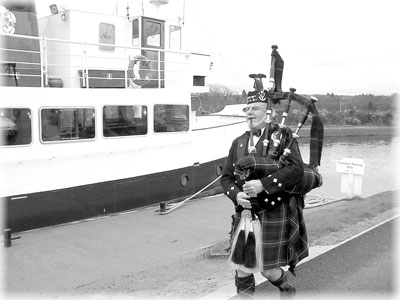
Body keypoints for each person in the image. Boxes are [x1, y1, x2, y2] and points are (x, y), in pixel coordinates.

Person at [220, 90, 309, 298]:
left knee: (268, 269)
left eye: (255, 108)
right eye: (247, 109)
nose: (250, 113)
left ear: (269, 112)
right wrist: (236, 195)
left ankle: (286, 289)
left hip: (273, 211)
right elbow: (226, 178)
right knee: (242, 268)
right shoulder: (238, 142)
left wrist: (263, 184)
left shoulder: (283, 136)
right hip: (245, 214)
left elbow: (296, 170)